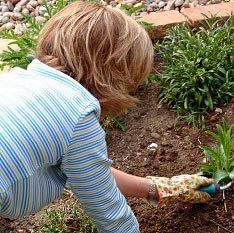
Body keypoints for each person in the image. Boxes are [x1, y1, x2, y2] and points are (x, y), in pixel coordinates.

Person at [0, 1, 214, 232]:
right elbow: (111, 216)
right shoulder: (78, 118)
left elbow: (90, 173)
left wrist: (161, 187)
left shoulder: (15, 82)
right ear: (116, 78)